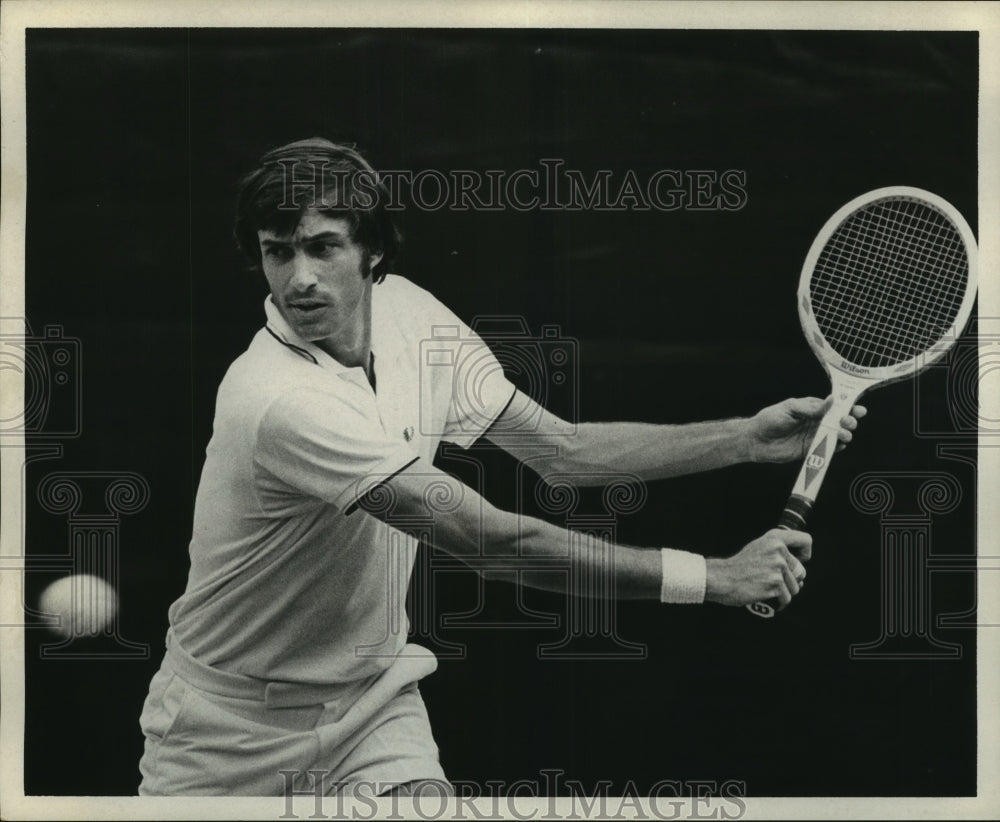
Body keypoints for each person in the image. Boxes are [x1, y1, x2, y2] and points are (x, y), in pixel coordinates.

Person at [137, 137, 865, 797]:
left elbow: (562, 453)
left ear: (372, 250)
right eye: (277, 253)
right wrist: (714, 577)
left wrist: (744, 438)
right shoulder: (278, 400)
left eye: (322, 247)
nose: (299, 279)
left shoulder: (412, 317)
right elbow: (494, 542)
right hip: (226, 737)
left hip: (369, 710)